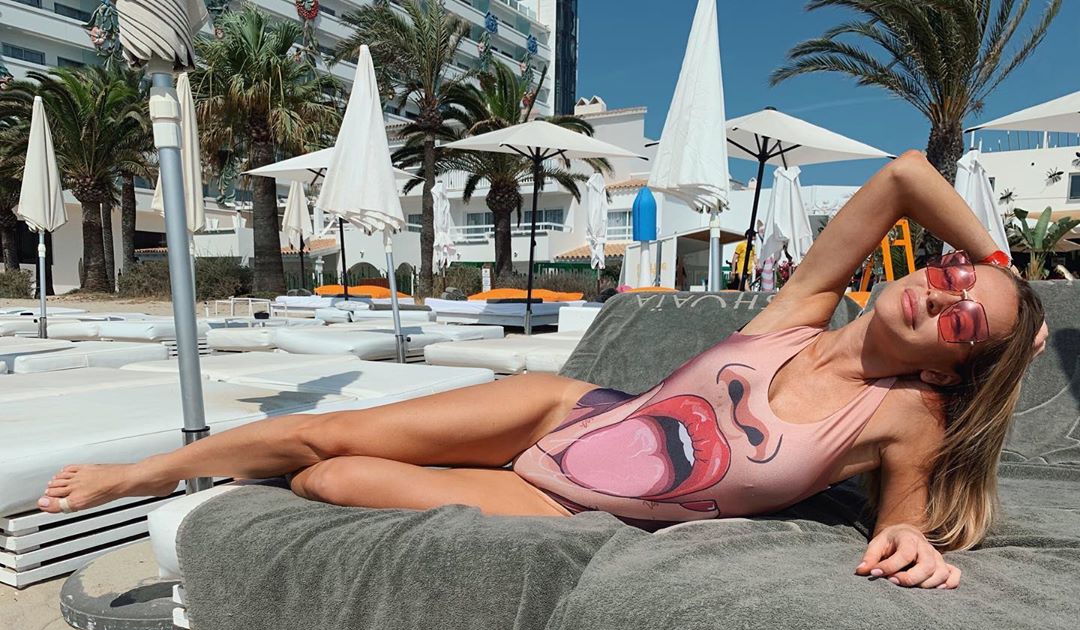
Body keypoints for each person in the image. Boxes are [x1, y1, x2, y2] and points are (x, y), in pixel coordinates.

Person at [38, 152, 1046, 590]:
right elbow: (906, 176)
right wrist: (1007, 272)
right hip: (561, 412)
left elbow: (904, 518)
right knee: (326, 430)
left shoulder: (904, 416)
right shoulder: (799, 313)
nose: (941, 294)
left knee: (331, 478)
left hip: (573, 504)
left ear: (953, 372)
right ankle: (147, 474)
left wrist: (911, 545)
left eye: (963, 322)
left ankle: (248, 471)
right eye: (951, 277)